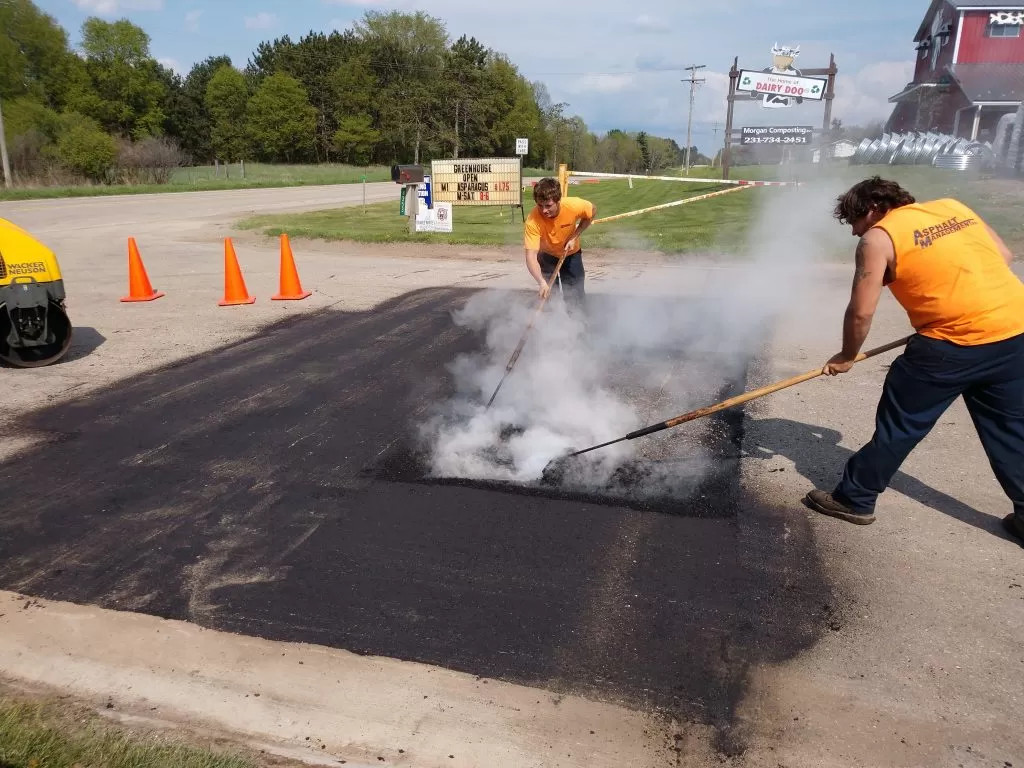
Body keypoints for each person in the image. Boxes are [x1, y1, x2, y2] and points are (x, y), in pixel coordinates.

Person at [802, 175, 1024, 548]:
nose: (855, 232)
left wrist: (846, 356)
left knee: (901, 425)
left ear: (872, 209)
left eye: (854, 221)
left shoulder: (879, 237)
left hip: (949, 347)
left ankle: (853, 499)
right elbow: (1004, 257)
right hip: (1014, 331)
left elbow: (861, 312)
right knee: (1012, 430)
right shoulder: (954, 208)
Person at [523, 177, 596, 312]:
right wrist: (541, 282)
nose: (544, 210)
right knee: (550, 295)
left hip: (571, 254)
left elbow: (592, 211)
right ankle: (554, 326)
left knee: (575, 296)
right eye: (540, 205)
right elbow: (531, 256)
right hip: (546, 255)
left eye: (548, 205)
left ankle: (579, 328)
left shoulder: (573, 205)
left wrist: (575, 235)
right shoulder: (532, 221)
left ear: (558, 201)